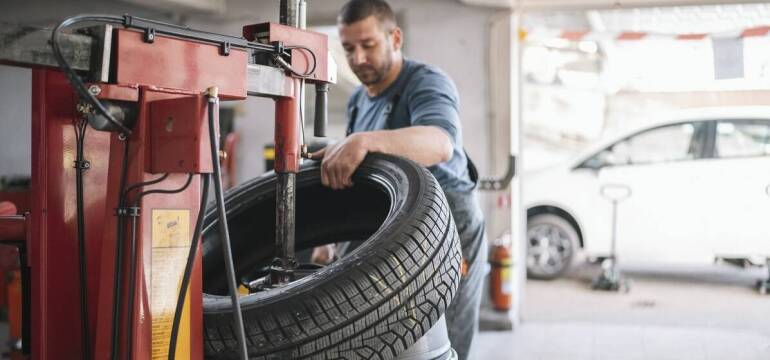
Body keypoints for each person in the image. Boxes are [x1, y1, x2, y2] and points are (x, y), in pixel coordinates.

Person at [310, 0, 488, 359]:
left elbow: (440, 143)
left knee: (441, 344)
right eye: (348, 48)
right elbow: (359, 173)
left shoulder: (424, 82)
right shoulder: (359, 99)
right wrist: (328, 240)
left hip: (448, 232)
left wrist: (365, 140)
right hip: (392, 232)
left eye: (368, 45)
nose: (358, 58)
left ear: (395, 37)